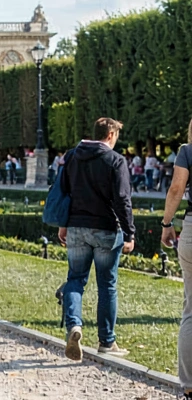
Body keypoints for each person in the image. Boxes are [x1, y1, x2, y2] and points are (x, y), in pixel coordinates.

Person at [58, 117, 135, 360]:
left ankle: (74, 325)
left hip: (76, 225)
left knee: (75, 279)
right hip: (106, 229)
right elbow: (122, 200)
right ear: (110, 135)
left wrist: (63, 224)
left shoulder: (73, 156)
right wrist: (129, 233)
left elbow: (63, 192)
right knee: (107, 285)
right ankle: (107, 342)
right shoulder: (115, 160)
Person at [157, 119, 192, 400]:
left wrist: (167, 223)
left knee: (191, 311)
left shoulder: (188, 151)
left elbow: (176, 188)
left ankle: (191, 392)